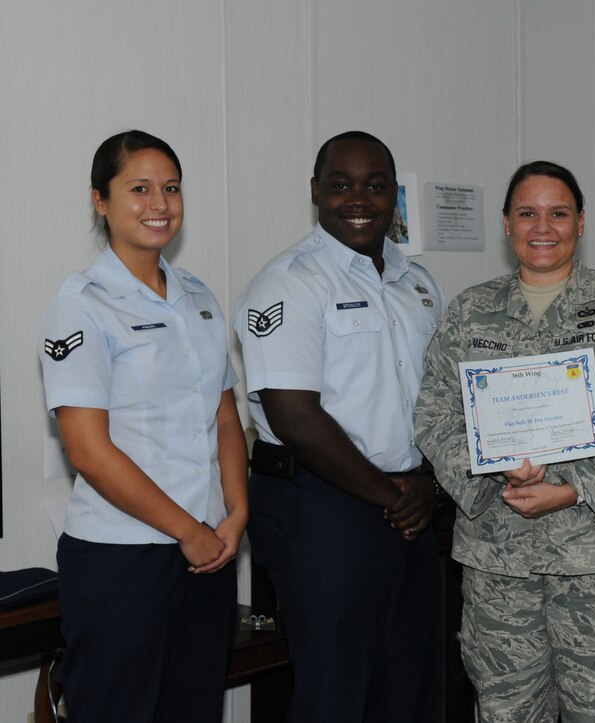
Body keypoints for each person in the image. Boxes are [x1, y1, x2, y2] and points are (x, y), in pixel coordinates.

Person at [414, 161, 595, 723]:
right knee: (506, 713)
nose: (543, 227)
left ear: (581, 222)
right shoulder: (469, 311)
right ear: (506, 223)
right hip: (498, 563)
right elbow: (434, 414)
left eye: (558, 213)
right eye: (527, 213)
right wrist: (492, 470)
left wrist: (574, 488)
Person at [234, 131, 445, 722]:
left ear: (394, 196)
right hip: (322, 507)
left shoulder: (419, 283)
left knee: (410, 688)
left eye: (375, 186)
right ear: (315, 191)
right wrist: (397, 497)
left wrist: (428, 485)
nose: (359, 199)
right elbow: (294, 418)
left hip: (409, 504)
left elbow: (442, 398)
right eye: (341, 185)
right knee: (335, 692)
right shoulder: (288, 282)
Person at [38, 130, 247, 722]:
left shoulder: (198, 297)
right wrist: (188, 529)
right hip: (122, 558)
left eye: (171, 188)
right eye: (139, 189)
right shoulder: (81, 305)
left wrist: (237, 512)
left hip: (208, 550)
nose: (160, 204)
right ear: (100, 201)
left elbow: (225, 417)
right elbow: (88, 451)